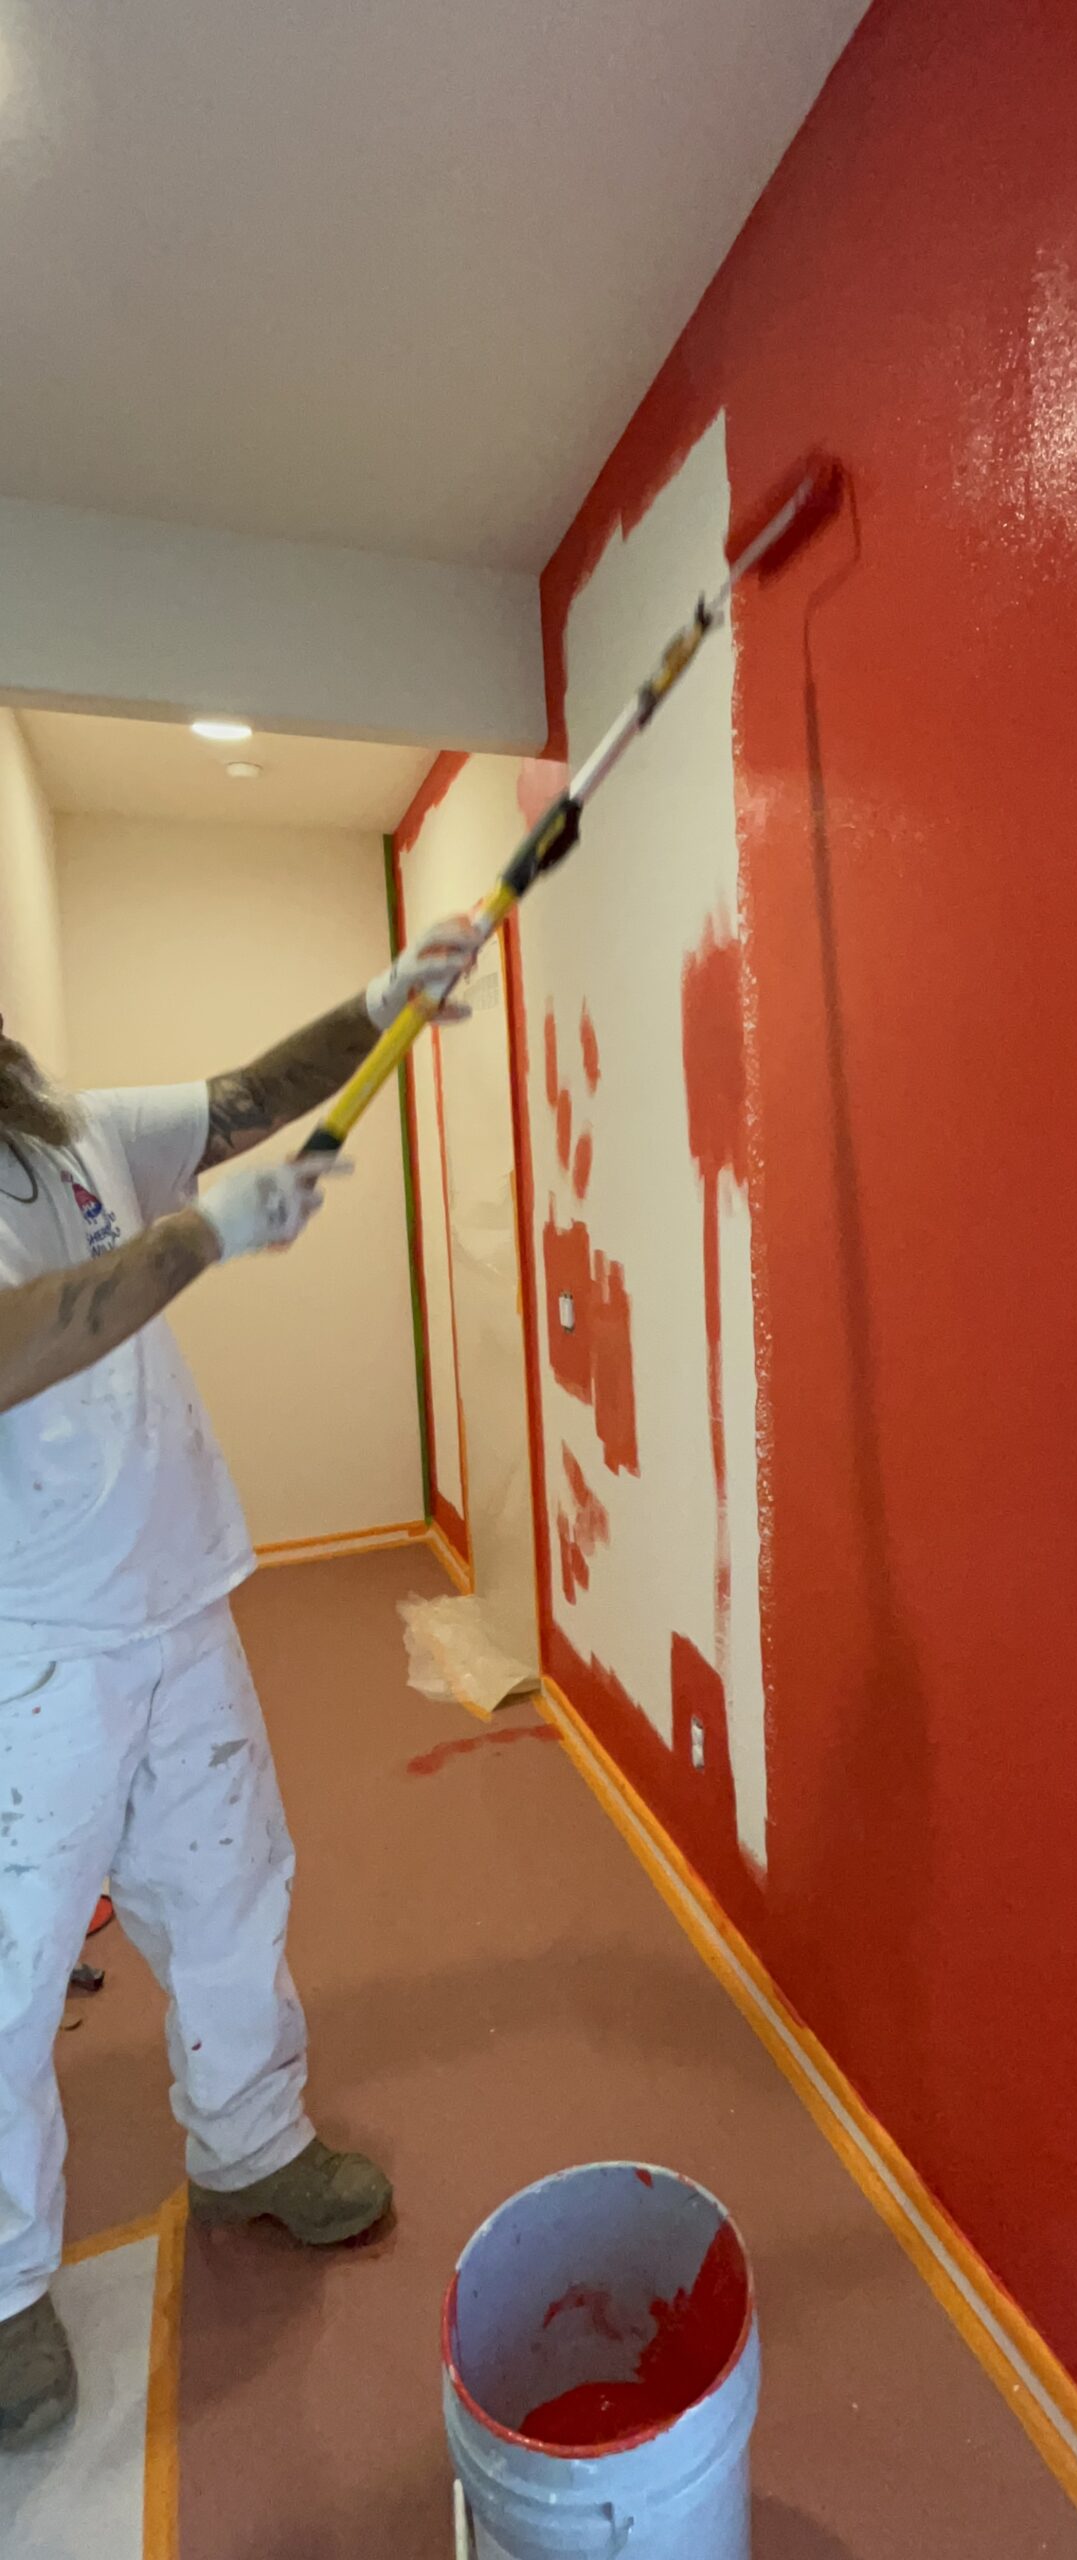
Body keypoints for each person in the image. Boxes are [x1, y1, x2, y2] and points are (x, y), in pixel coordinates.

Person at [0, 914, 482, 2448]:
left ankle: (253, 2147)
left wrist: (381, 1005)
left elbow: (240, 1099)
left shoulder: (59, 1124)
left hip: (178, 1599)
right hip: (31, 1647)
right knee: (6, 1979)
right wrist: (207, 1237)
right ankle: (4, 2293)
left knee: (230, 1894)